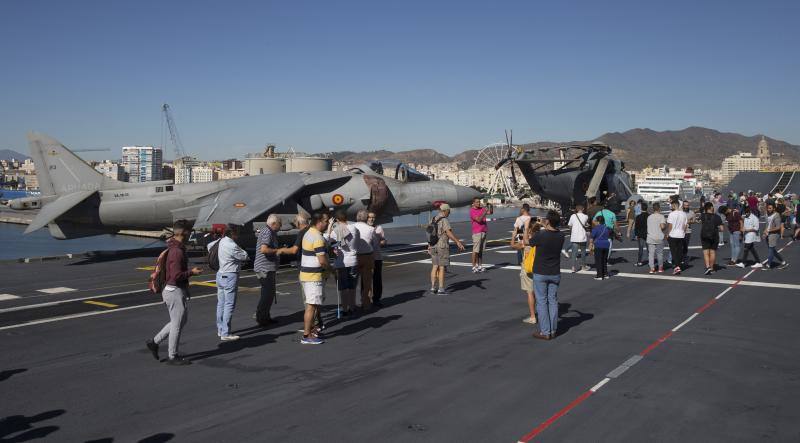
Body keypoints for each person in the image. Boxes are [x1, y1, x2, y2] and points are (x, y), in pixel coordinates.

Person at [146, 220, 202, 366]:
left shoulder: (174, 247)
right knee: (177, 324)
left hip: (174, 290)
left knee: (181, 321)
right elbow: (176, 275)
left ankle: (154, 342)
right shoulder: (177, 251)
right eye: (189, 230)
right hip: (174, 290)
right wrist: (192, 273)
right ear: (184, 232)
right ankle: (172, 356)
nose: (191, 233)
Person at [527, 210, 565, 340]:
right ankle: (553, 330)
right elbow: (552, 231)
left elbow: (527, 241)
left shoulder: (540, 235)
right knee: (553, 301)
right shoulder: (561, 236)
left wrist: (527, 226)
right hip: (555, 272)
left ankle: (545, 332)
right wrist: (545, 223)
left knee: (542, 302)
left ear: (548, 221)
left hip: (541, 272)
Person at [284, 214, 325, 331]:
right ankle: (317, 323)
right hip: (314, 270)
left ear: (298, 223)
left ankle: (312, 326)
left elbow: (294, 250)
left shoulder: (303, 232)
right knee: (314, 301)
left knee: (308, 302)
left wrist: (280, 250)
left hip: (307, 270)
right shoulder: (312, 231)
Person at [209, 224, 249, 341]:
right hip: (230, 275)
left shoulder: (220, 241)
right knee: (229, 304)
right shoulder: (231, 245)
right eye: (237, 232)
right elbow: (244, 256)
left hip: (220, 274)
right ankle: (225, 333)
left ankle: (220, 329)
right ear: (232, 233)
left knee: (221, 303)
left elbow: (209, 246)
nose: (238, 235)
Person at [299, 213, 332, 344]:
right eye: (326, 221)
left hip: (308, 275)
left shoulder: (308, 232)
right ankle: (307, 336)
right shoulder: (317, 236)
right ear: (319, 221)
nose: (327, 223)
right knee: (311, 306)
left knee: (313, 305)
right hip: (313, 276)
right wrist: (332, 270)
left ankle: (311, 331)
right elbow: (322, 260)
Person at [253, 214, 286, 327]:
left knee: (268, 294)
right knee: (267, 294)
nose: (280, 227)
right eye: (279, 224)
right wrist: (278, 250)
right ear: (273, 224)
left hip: (267, 268)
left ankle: (265, 316)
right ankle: (261, 317)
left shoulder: (268, 232)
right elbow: (264, 249)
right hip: (264, 268)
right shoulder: (267, 232)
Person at [428, 203, 465, 295]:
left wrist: (428, 245)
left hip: (432, 245)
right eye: (449, 211)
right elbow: (448, 232)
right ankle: (441, 289)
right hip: (442, 245)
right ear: (445, 211)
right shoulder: (444, 220)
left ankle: (433, 287)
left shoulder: (432, 219)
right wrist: (457, 241)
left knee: (434, 266)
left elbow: (429, 233)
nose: (449, 213)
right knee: (441, 267)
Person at [328, 210, 359, 316]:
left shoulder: (334, 231)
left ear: (336, 220)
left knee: (343, 287)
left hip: (341, 262)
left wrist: (330, 227)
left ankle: (345, 309)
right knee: (352, 286)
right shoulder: (354, 228)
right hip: (353, 260)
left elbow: (329, 244)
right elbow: (357, 242)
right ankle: (353, 307)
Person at [510, 219, 540, 325]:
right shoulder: (541, 239)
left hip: (528, 268)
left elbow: (513, 246)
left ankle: (533, 316)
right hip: (540, 268)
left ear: (529, 230)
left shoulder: (526, 242)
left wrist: (514, 235)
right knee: (540, 293)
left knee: (530, 293)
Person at [353, 210, 379, 310]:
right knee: (367, 283)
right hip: (367, 256)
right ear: (366, 218)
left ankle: (351, 304)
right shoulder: (370, 229)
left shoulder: (352, 227)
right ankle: (366, 304)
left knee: (353, 283)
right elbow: (375, 244)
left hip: (355, 256)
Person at [699, 202, 724, 275]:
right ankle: (712, 267)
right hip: (714, 236)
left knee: (706, 252)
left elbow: (699, 221)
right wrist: (715, 229)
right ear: (711, 208)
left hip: (704, 236)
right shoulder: (717, 217)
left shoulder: (702, 216)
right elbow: (722, 229)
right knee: (712, 252)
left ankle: (707, 267)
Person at [368, 212, 386, 308]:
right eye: (370, 217)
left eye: (373, 217)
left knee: (377, 280)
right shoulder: (365, 229)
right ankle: (366, 300)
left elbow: (383, 240)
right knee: (366, 280)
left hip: (377, 258)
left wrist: (383, 242)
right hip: (367, 258)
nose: (371, 219)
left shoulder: (379, 228)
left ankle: (376, 299)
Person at [470, 197, 492, 273]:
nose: (478, 203)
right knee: (475, 250)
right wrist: (484, 212)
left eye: (479, 202)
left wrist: (490, 206)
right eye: (477, 202)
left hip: (484, 231)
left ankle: (480, 265)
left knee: (481, 250)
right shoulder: (472, 211)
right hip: (477, 232)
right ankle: (473, 266)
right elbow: (478, 220)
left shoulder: (482, 209)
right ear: (473, 203)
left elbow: (490, 213)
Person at [764, 203, 788, 269]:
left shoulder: (777, 215)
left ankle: (768, 264)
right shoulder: (766, 214)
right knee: (772, 250)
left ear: (774, 208)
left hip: (774, 234)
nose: (768, 209)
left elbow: (778, 227)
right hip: (768, 234)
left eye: (770, 208)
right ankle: (783, 262)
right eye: (768, 208)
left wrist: (769, 230)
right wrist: (765, 231)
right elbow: (767, 224)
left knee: (771, 249)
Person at [666, 201, 688, 275]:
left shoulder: (671, 214)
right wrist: (683, 233)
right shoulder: (684, 214)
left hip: (673, 235)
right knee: (679, 251)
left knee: (673, 251)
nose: (670, 206)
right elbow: (685, 225)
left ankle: (677, 266)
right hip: (681, 235)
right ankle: (678, 265)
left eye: (671, 205)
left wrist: (667, 233)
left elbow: (670, 225)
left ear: (674, 205)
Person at [567, 204, 589, 272]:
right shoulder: (586, 216)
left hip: (574, 237)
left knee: (574, 253)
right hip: (582, 236)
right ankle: (583, 266)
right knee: (583, 252)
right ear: (583, 209)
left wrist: (573, 230)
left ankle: (573, 267)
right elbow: (586, 224)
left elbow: (569, 226)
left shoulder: (572, 216)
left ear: (576, 209)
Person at [646, 202, 667, 274]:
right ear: (659, 208)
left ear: (653, 208)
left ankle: (652, 268)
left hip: (650, 237)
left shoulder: (649, 217)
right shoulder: (661, 216)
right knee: (659, 253)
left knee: (651, 254)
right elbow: (662, 227)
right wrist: (665, 225)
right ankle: (660, 267)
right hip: (659, 237)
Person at [590, 215, 611, 280]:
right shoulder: (606, 228)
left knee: (598, 261)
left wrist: (591, 244)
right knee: (604, 260)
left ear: (598, 221)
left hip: (598, 245)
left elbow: (592, 237)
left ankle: (599, 275)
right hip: (606, 245)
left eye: (596, 221)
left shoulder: (595, 228)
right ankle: (605, 274)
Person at [634, 202, 649, 266]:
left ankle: (639, 261)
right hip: (648, 234)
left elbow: (636, 227)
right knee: (649, 249)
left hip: (640, 234)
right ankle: (650, 261)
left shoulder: (638, 217)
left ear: (641, 208)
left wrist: (636, 234)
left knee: (641, 248)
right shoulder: (649, 216)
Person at [682, 200, 696, 265]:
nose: (687, 206)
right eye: (685, 205)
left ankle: (684, 257)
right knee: (679, 246)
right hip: (679, 231)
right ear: (683, 205)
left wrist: (690, 221)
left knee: (685, 245)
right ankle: (679, 258)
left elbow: (694, 221)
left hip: (687, 231)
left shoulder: (691, 213)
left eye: (688, 205)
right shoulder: (679, 212)